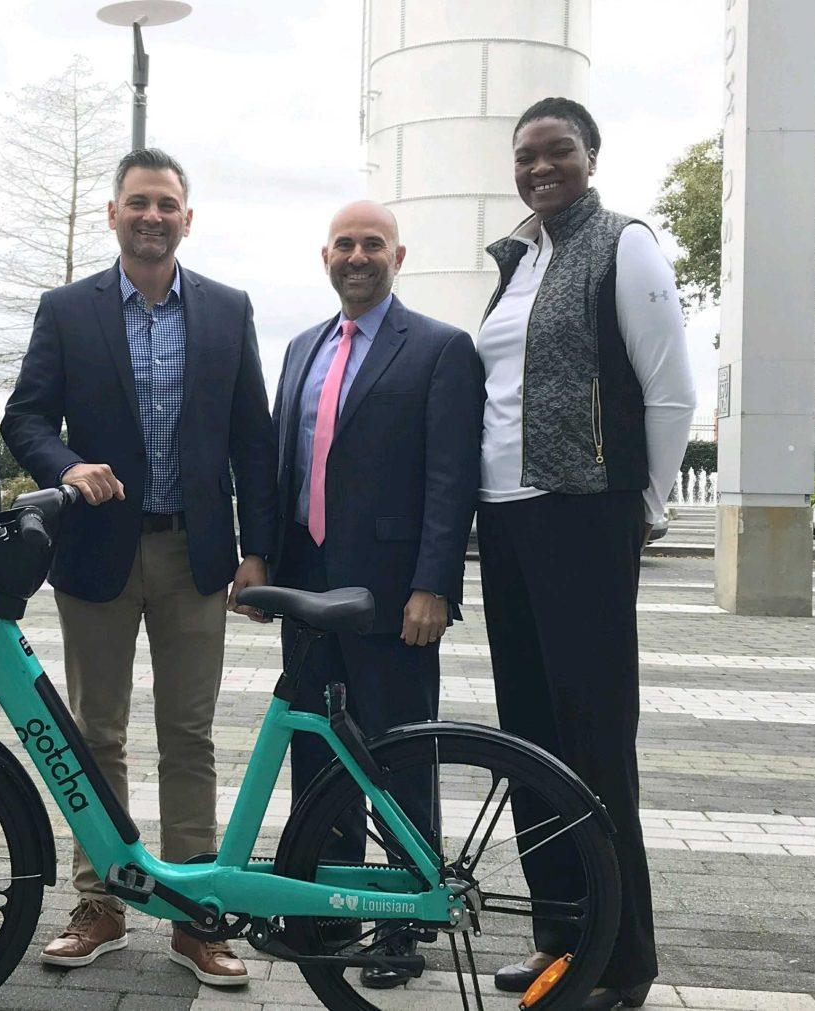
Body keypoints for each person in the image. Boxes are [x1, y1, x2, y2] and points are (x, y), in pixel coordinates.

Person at [1, 148, 277, 987]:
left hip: (196, 554)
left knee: (189, 734)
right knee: (97, 734)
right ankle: (102, 901)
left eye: (167, 204)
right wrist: (66, 465)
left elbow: (252, 442)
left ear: (186, 219)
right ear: (113, 214)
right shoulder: (68, 309)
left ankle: (197, 915)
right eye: (137, 203)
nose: (152, 216)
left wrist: (256, 549)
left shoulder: (229, 310)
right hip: (98, 553)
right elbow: (24, 417)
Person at [476, 98, 695, 1010]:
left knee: (596, 741)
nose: (539, 167)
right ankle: (561, 936)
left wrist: (641, 507)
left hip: (582, 519)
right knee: (531, 738)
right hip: (507, 522)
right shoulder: (517, 258)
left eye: (557, 151)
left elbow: (671, 388)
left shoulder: (624, 244)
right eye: (526, 155)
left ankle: (624, 958)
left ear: (590, 156)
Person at [270, 200, 483, 989]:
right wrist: (261, 561)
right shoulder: (299, 349)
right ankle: (326, 914)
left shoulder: (438, 349)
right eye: (344, 244)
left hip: (395, 597)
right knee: (317, 753)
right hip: (307, 587)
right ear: (324, 254)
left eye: (373, 244)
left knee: (397, 755)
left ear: (399, 254)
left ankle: (402, 922)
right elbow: (281, 466)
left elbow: (450, 478)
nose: (357, 256)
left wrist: (434, 583)